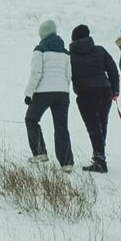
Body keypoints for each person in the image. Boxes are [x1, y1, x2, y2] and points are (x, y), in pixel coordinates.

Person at [24, 19, 74, 171]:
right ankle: (66, 163)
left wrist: (29, 93)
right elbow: (68, 75)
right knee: (61, 127)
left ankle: (39, 152)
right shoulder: (66, 52)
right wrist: (64, 89)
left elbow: (36, 73)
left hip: (44, 91)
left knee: (31, 119)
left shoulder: (40, 49)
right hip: (62, 93)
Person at [69, 24, 119, 173]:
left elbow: (66, 74)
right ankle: (100, 157)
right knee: (102, 123)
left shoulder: (71, 56)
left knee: (93, 127)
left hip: (85, 93)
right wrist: (115, 89)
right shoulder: (100, 50)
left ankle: (99, 161)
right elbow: (112, 69)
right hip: (105, 91)